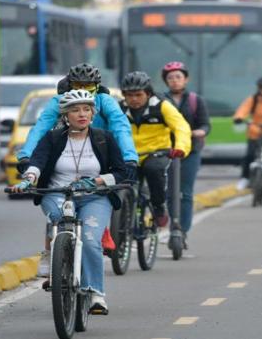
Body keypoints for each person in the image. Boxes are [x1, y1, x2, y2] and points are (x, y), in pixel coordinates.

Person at [9, 89, 130, 314]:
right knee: (59, 219)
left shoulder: (104, 138)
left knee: (91, 239)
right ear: (65, 115)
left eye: (86, 109)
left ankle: (95, 293)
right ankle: (58, 263)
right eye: (75, 110)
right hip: (57, 193)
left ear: (93, 114)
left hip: (94, 197)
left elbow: (122, 172)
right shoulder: (53, 138)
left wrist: (97, 181)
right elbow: (37, 162)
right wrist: (28, 179)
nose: (82, 114)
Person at [16, 63, 138, 277]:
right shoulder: (59, 101)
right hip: (68, 147)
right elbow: (41, 127)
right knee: (55, 206)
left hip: (100, 151)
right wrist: (26, 155)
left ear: (96, 87)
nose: (81, 112)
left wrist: (129, 158)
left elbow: (120, 127)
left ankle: (103, 230)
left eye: (88, 85)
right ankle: (50, 250)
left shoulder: (106, 101)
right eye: (78, 85)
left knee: (105, 193)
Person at [119, 71, 191, 228]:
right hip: (129, 155)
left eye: (138, 94)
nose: (134, 99)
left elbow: (181, 127)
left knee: (153, 170)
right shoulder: (118, 109)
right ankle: (119, 222)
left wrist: (180, 147)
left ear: (148, 93)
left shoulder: (162, 106)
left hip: (156, 152)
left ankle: (159, 208)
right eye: (129, 95)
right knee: (119, 182)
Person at [161, 61, 210, 249]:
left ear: (186, 79)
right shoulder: (160, 100)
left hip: (191, 150)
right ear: (166, 81)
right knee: (169, 191)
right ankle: (173, 225)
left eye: (178, 77)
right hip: (167, 150)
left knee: (186, 192)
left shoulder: (195, 100)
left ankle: (183, 229)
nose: (174, 81)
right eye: (170, 78)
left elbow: (205, 124)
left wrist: (200, 131)